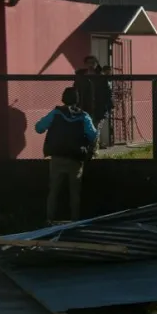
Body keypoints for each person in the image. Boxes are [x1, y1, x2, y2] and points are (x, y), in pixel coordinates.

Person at [35, 86, 98, 223]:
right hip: (75, 159)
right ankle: (75, 221)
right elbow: (93, 135)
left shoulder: (55, 113)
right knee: (75, 193)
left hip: (57, 157)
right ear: (77, 100)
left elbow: (38, 128)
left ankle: (49, 219)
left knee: (53, 191)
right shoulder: (84, 116)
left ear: (63, 98)